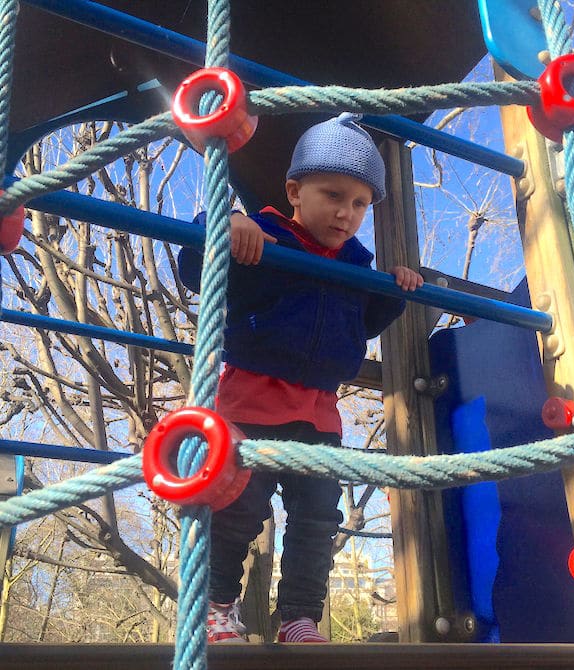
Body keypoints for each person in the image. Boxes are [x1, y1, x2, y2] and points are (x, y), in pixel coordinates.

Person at [178, 113, 424, 644]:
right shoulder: (264, 235)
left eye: (360, 203)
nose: (347, 213)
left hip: (318, 412)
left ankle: (299, 618)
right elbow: (194, 264)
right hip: (252, 403)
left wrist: (393, 289)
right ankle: (217, 606)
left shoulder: (355, 264)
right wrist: (221, 222)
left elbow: (358, 325)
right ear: (295, 190)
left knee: (316, 521)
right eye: (333, 195)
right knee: (239, 508)